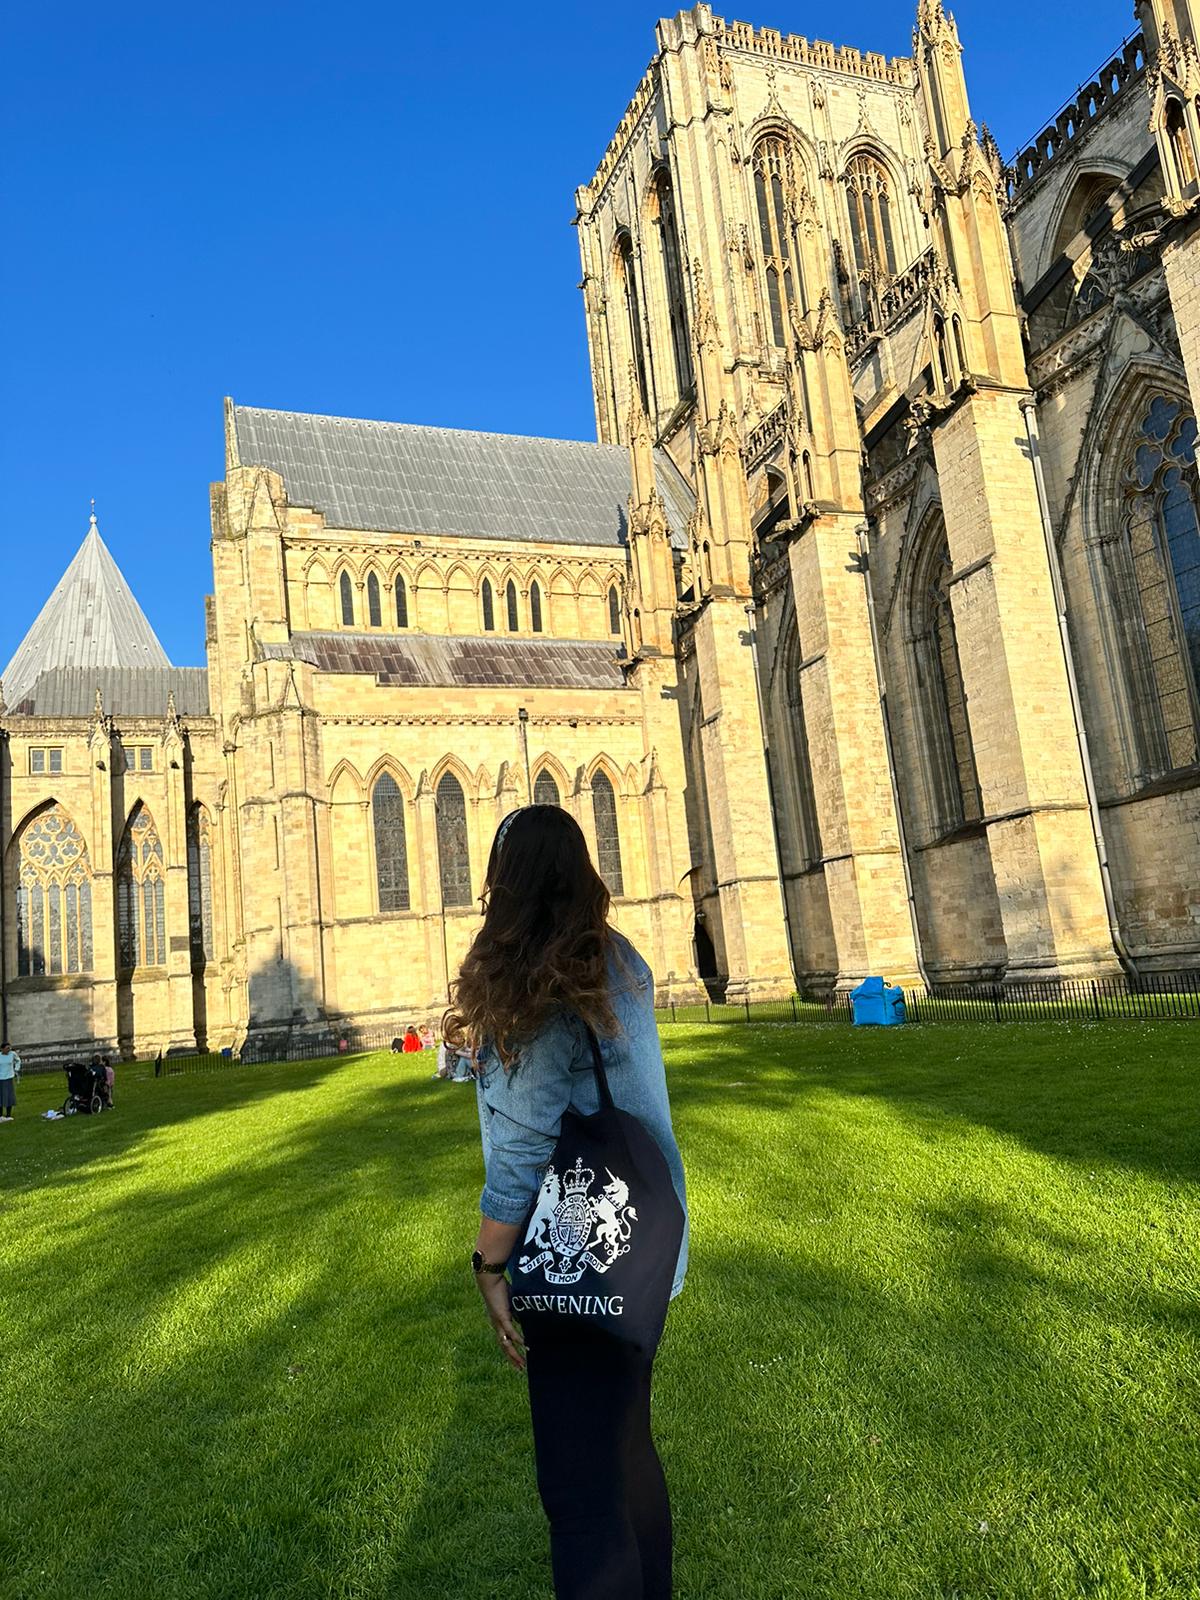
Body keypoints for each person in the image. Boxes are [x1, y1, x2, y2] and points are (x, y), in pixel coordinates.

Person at [445, 805, 688, 1600]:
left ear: (503, 889)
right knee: (627, 1453)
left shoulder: (535, 989)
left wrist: (488, 1265)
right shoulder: (618, 958)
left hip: (576, 1264)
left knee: (579, 1494)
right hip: (644, 1250)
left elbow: (519, 1160)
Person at [0, 1041, 21, 1121]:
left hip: (9, 1077)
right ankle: (0, 1115)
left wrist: (16, 1069)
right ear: (2, 1049)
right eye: (7, 1048)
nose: (9, 1050)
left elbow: (18, 1060)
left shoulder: (12, 1054)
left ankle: (8, 1115)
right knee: (1, 1097)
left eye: (9, 1048)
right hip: (1, 1078)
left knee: (9, 1096)